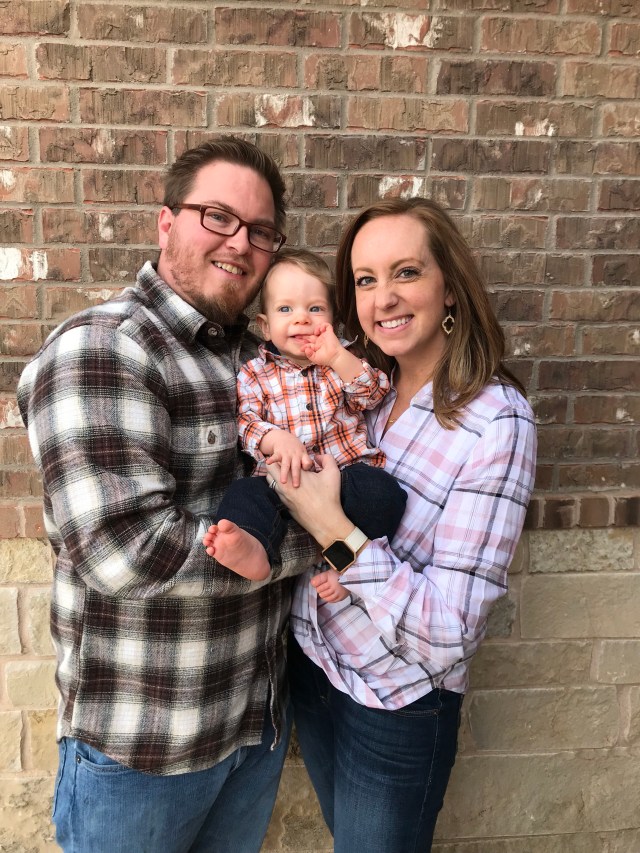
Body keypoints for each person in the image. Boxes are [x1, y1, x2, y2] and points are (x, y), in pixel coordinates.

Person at [16, 137, 320, 853]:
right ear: (166, 221)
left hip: (253, 729)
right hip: (143, 752)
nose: (240, 243)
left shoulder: (265, 361)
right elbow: (128, 553)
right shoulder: (103, 349)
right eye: (218, 217)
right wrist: (323, 541)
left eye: (261, 231)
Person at [266, 198, 538, 852]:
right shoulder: (361, 390)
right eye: (365, 280)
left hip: (393, 706)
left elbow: (449, 633)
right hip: (315, 667)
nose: (383, 297)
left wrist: (334, 529)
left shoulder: (495, 421)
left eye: (406, 272)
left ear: (450, 287)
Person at [203, 248, 407, 604]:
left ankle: (349, 568)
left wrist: (338, 358)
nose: (301, 319)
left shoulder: (343, 360)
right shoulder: (254, 373)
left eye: (315, 309)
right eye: (286, 309)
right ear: (265, 325)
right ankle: (253, 547)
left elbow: (374, 394)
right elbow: (245, 423)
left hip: (345, 478)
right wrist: (274, 438)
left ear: (333, 319)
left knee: (385, 493)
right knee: (242, 496)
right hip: (281, 483)